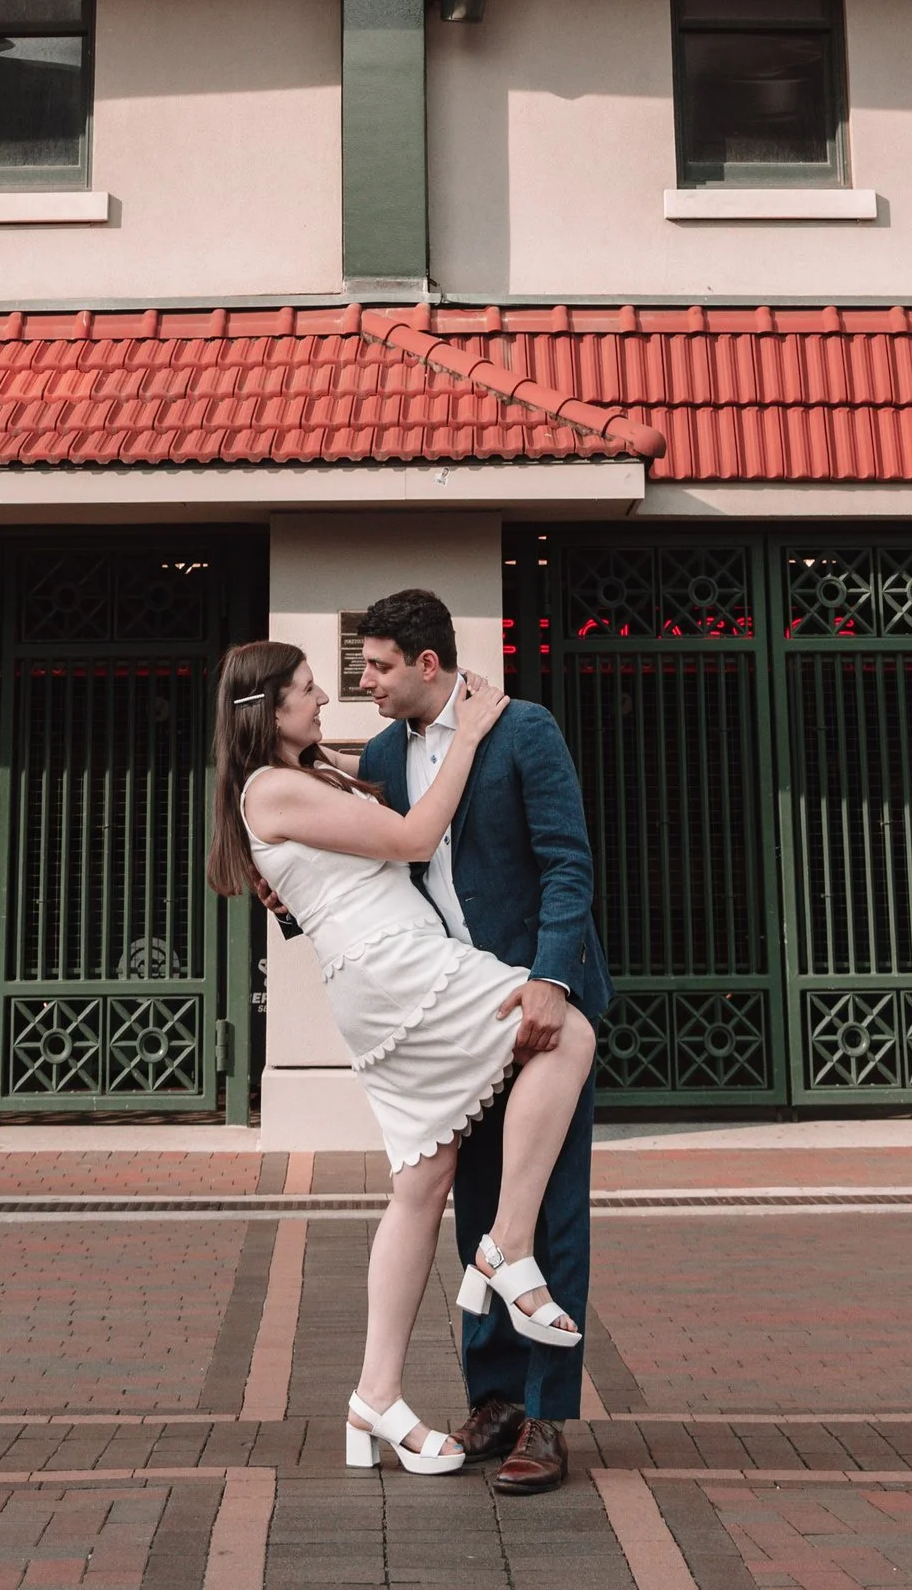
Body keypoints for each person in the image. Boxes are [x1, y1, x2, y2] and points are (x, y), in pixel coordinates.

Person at [207, 638, 598, 1481]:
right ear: (269, 709)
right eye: (311, 688)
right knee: (569, 1035)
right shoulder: (275, 784)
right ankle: (506, 1248)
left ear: (427, 661)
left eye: (369, 671)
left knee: (421, 1185)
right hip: (403, 972)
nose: (341, 692)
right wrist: (467, 734)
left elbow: (326, 850)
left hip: (390, 974)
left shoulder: (328, 767)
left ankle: (376, 1395)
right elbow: (416, 838)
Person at [355, 588, 611, 1499]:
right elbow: (373, 873)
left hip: (532, 1005)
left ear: (430, 664)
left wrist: (553, 978)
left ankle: (546, 1416)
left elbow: (568, 859)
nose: (365, 680)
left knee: (546, 1214)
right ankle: (494, 1399)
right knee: (475, 1206)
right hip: (449, 1014)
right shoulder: (384, 753)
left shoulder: (524, 729)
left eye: (379, 664)